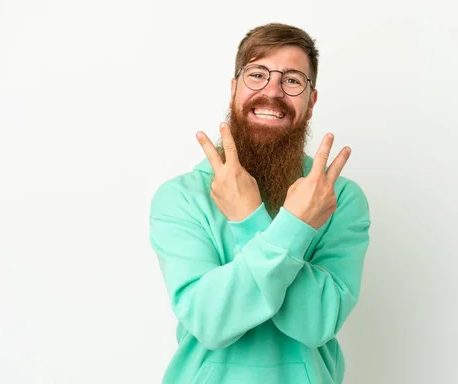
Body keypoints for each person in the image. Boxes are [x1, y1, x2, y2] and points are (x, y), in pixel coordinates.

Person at [149, 23, 371, 384]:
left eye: (293, 80)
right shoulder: (181, 197)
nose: (272, 91)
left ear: (311, 102)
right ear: (233, 88)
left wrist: (250, 221)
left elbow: (317, 323)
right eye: (257, 74)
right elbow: (212, 323)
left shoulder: (338, 199)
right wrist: (282, 228)